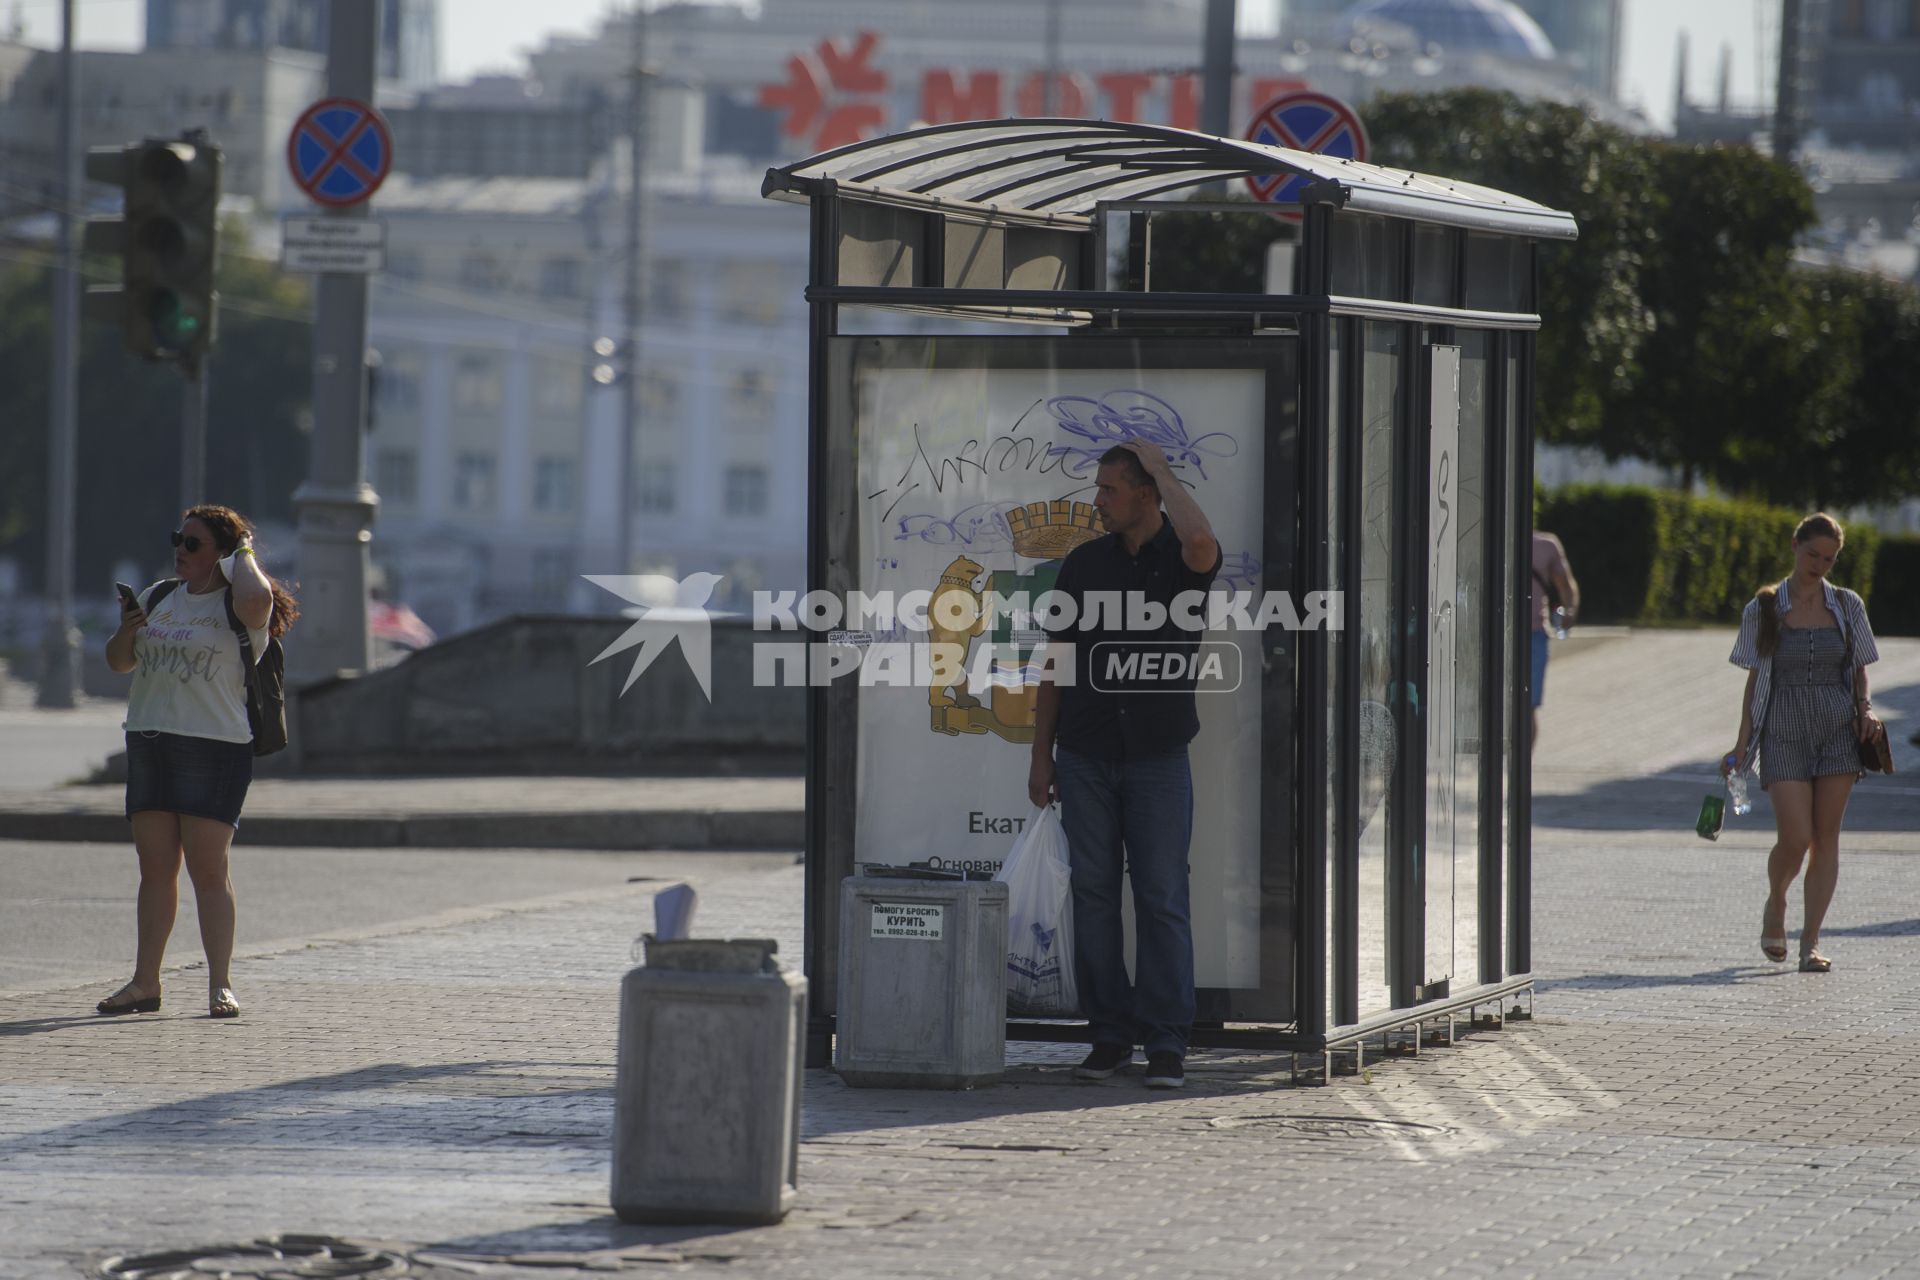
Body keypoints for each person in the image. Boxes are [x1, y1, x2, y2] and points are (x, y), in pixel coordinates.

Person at [1028, 440, 1221, 1090]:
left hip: (1158, 759)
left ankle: (1167, 1042)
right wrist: (1040, 756)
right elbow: (1054, 663)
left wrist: (1163, 468)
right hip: (1083, 756)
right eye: (1099, 488)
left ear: (1145, 494)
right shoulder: (1083, 564)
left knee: (1163, 896)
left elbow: (1204, 541)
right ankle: (1108, 1035)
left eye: (1110, 489)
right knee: (1094, 896)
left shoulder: (1181, 558)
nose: (1098, 500)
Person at [96, 505, 299, 1018]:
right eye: (178, 541)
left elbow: (256, 600)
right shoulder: (159, 596)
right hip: (150, 739)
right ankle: (145, 984)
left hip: (213, 747)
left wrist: (245, 549)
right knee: (155, 870)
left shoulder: (242, 604)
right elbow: (121, 661)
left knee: (209, 872)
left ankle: (220, 985)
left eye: (193, 544)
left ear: (224, 555)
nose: (180, 551)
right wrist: (128, 628)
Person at [1727, 513, 1878, 974]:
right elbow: (1754, 681)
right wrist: (1741, 744)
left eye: (1829, 559)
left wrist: (1866, 708)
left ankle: (1810, 942)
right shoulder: (1764, 608)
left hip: (1837, 729)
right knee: (1795, 837)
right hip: (1784, 729)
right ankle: (1777, 902)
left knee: (1826, 836)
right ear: (1795, 546)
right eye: (1813, 554)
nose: (1820, 565)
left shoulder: (1847, 604)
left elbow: (1858, 668)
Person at [1529, 529, 1580, 749]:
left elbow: (1565, 585)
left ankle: (1521, 767)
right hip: (1500, 634)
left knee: (1527, 705)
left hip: (1535, 634)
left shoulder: (1546, 544)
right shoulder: (1494, 539)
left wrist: (1570, 610)